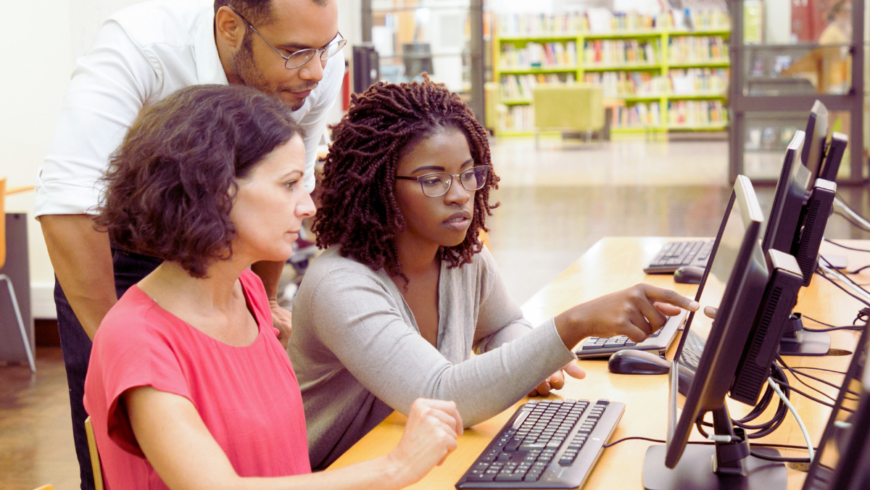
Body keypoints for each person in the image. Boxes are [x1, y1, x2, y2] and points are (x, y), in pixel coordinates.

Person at [288, 77, 700, 469]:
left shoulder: (460, 257)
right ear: (379, 186)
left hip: (415, 461)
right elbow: (442, 397)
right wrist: (574, 324)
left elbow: (505, 323)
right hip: (338, 475)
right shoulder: (339, 285)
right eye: (433, 180)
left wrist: (530, 364)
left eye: (469, 174)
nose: (459, 194)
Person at [84, 84, 462, 490]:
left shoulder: (246, 292)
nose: (308, 206)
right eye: (289, 184)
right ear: (214, 190)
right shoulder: (137, 339)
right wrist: (395, 468)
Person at [35, 0, 344, 487]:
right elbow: (69, 204)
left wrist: (257, 305)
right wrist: (125, 352)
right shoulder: (142, 45)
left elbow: (286, 192)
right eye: (295, 51)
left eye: (325, 49)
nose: (316, 70)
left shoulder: (315, 59)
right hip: (113, 250)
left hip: (234, 250)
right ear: (229, 26)